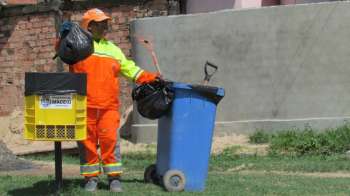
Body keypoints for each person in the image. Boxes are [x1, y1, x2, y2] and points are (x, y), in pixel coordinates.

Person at [69, 8, 159, 192]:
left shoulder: (113, 50)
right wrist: (63, 36)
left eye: (105, 23)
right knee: (87, 144)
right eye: (100, 23)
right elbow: (61, 50)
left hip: (108, 107)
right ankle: (91, 179)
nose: (105, 26)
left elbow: (130, 69)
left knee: (110, 141)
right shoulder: (77, 46)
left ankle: (114, 178)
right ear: (89, 26)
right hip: (83, 106)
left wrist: (151, 78)